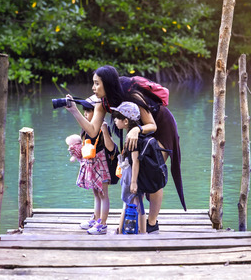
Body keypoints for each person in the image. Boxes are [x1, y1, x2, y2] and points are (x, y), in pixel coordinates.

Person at [65, 65, 185, 234]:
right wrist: (74, 111)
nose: (93, 88)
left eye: (97, 84)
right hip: (134, 130)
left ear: (107, 84)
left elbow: (152, 124)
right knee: (135, 174)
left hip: (159, 126)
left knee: (153, 171)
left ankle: (151, 222)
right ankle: (133, 220)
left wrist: (137, 130)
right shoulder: (103, 102)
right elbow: (92, 130)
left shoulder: (131, 94)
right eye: (93, 84)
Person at [70, 95, 116, 235]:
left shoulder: (102, 128)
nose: (85, 114)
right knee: (96, 193)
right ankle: (96, 218)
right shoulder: (86, 130)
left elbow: (111, 148)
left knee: (103, 194)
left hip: (102, 165)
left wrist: (106, 131)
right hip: (91, 164)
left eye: (88, 111)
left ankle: (103, 224)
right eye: (84, 111)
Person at [111, 102, 146, 234]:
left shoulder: (132, 138)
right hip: (136, 175)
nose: (114, 120)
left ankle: (121, 231)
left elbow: (135, 161)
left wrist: (133, 182)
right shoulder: (136, 134)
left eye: (117, 117)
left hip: (131, 175)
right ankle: (143, 231)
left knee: (128, 203)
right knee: (139, 204)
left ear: (126, 121)